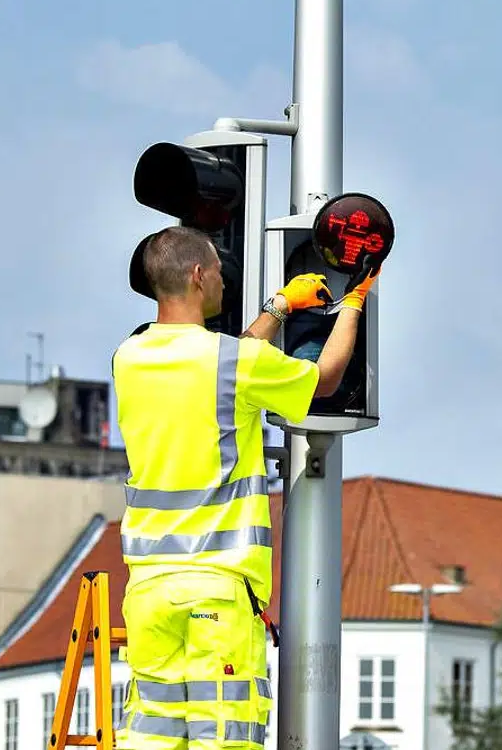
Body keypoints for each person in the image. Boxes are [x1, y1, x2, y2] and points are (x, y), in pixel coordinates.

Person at [111, 225, 376, 750]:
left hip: (148, 590)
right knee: (226, 734)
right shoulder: (235, 363)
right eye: (217, 271)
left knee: (152, 735)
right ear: (197, 275)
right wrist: (354, 302)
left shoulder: (129, 357)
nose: (223, 282)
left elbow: (224, 362)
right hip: (217, 584)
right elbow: (323, 378)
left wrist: (280, 307)